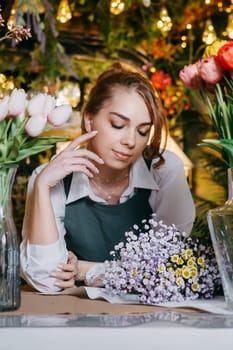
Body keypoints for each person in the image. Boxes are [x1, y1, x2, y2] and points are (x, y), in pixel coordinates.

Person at [20, 62, 196, 293]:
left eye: (143, 131)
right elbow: (47, 280)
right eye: (118, 125)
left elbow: (168, 269)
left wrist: (85, 270)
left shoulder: (164, 170)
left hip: (150, 320)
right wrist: (42, 185)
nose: (131, 141)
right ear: (89, 120)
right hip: (71, 319)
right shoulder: (49, 179)